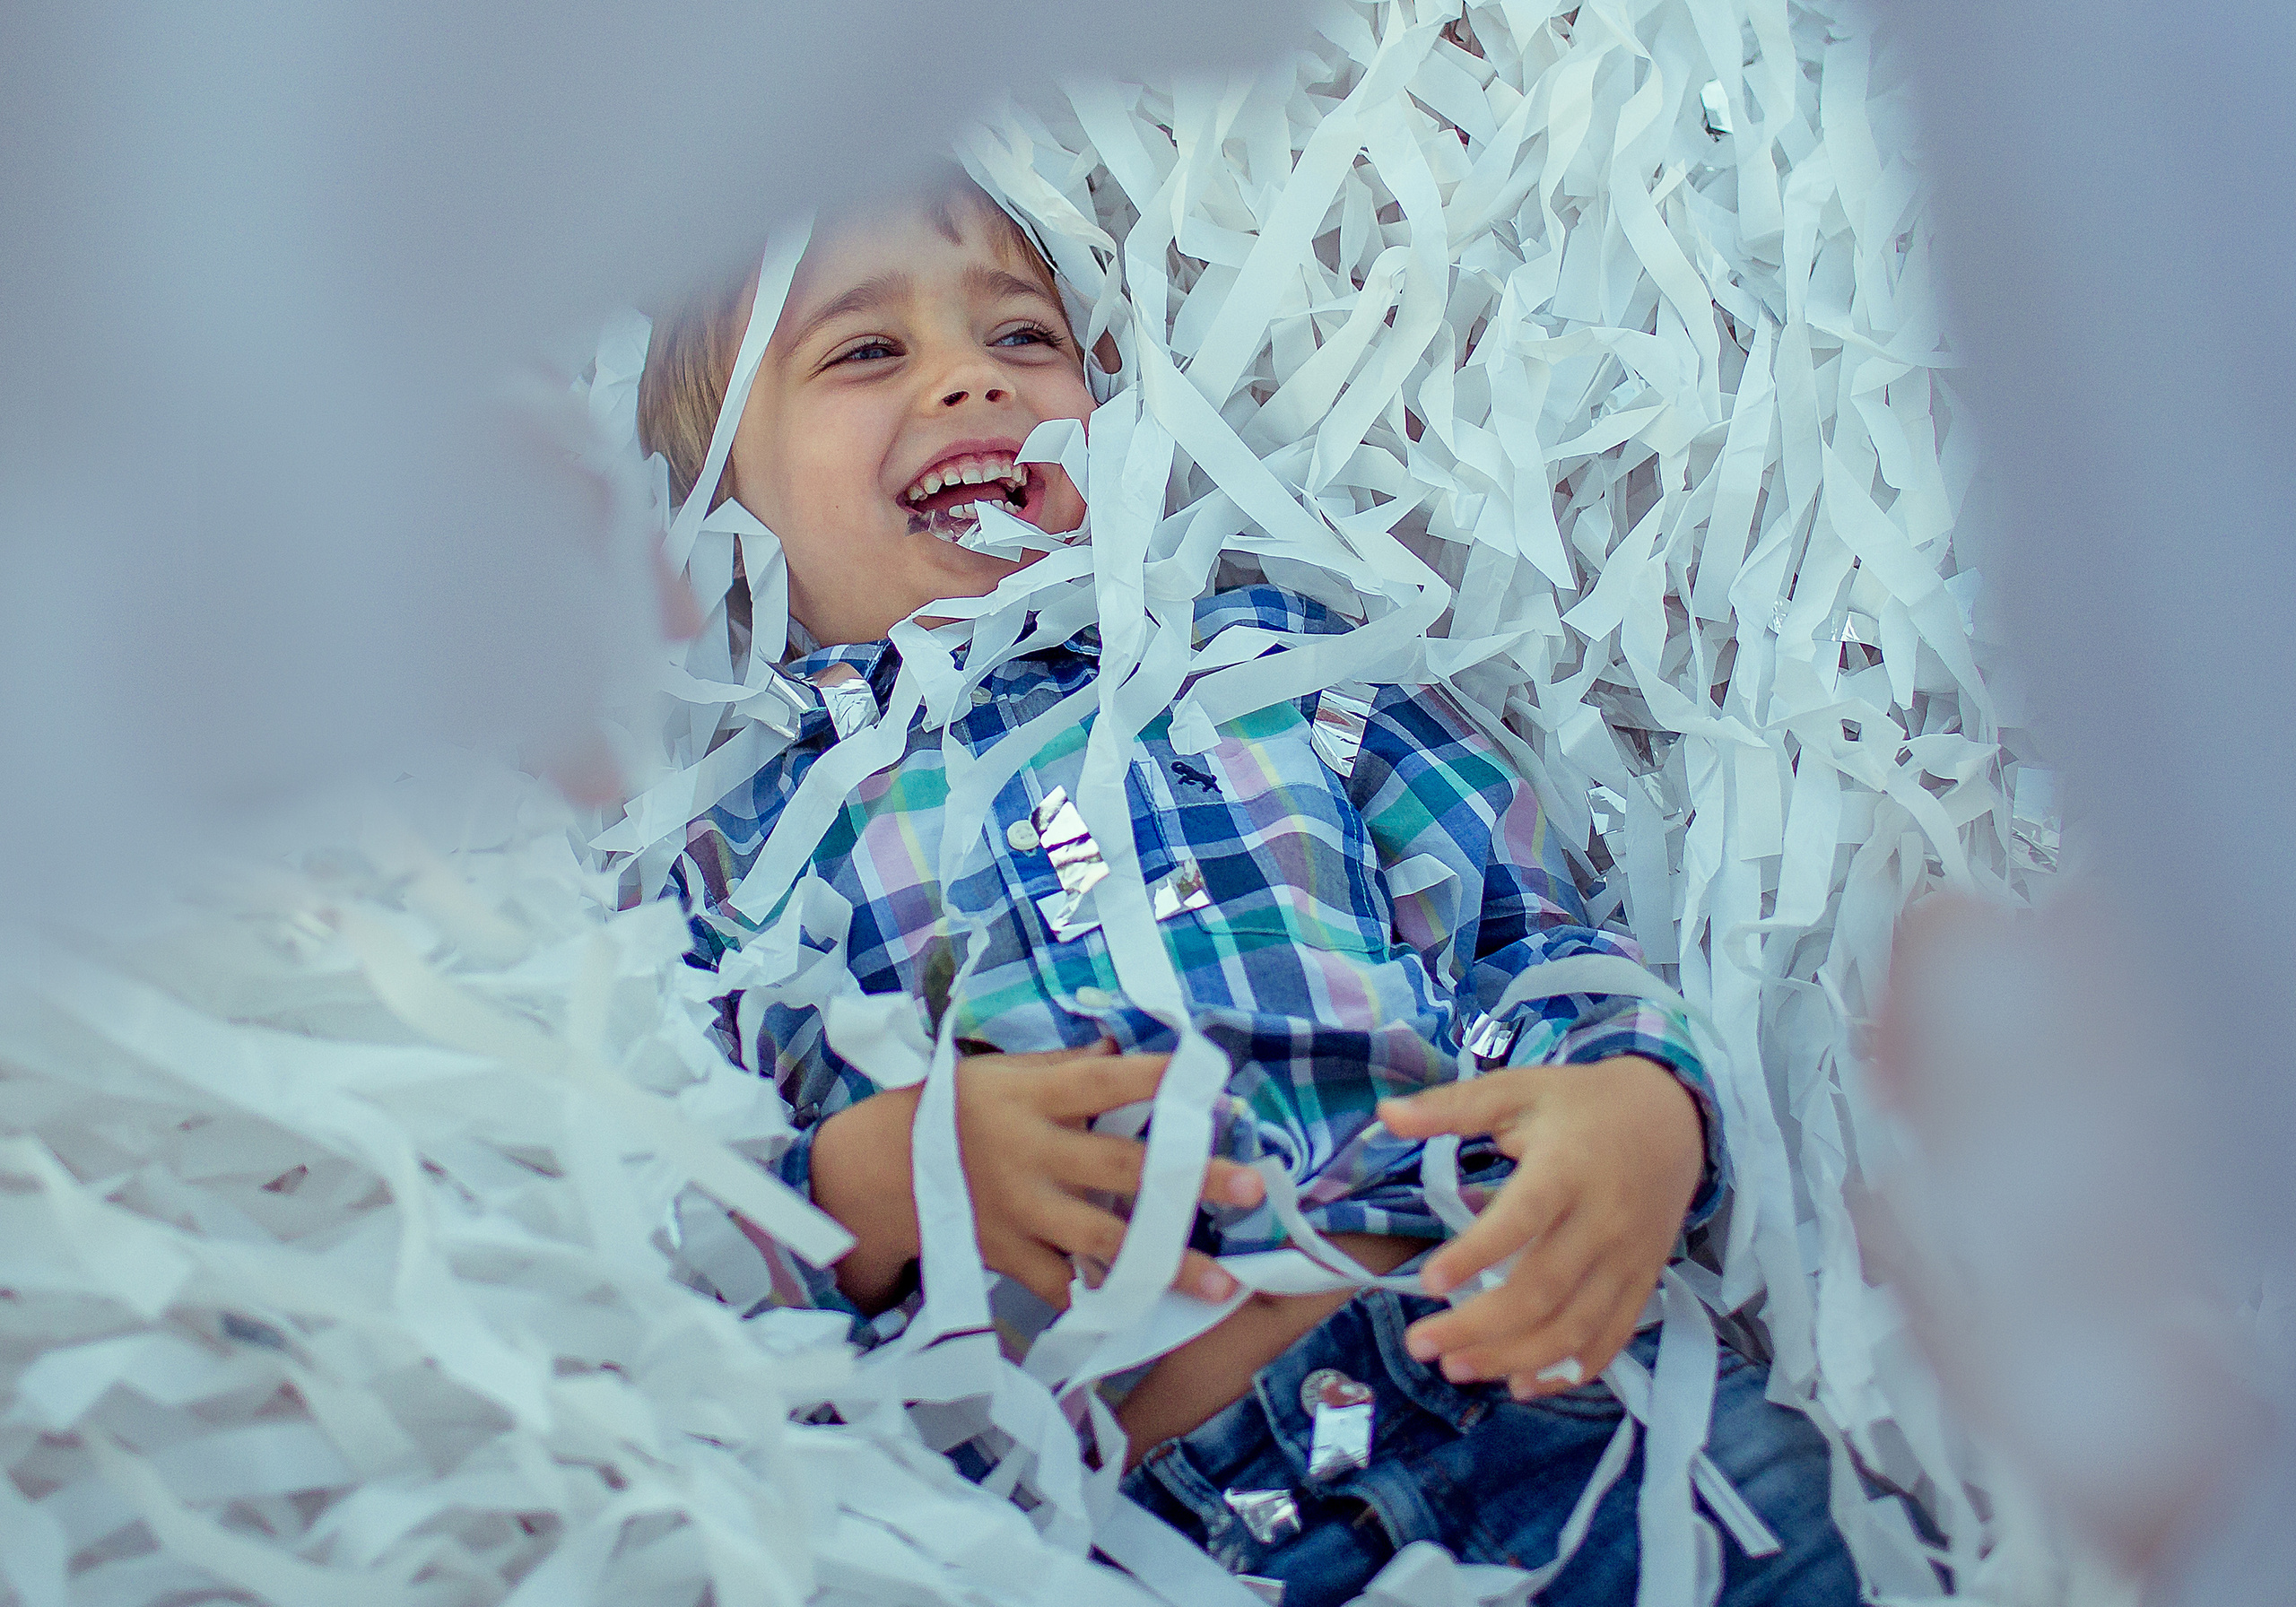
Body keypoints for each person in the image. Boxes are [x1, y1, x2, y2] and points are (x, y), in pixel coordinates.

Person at [636, 169, 1858, 1604]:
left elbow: (1538, 946)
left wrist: (1645, 1108)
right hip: (1137, 1542)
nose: (971, 379)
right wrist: (891, 1170)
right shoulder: (731, 864)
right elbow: (676, 1237)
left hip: (1558, 1418)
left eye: (1024, 338)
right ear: (722, 505)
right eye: (866, 350)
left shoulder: (1268, 667)